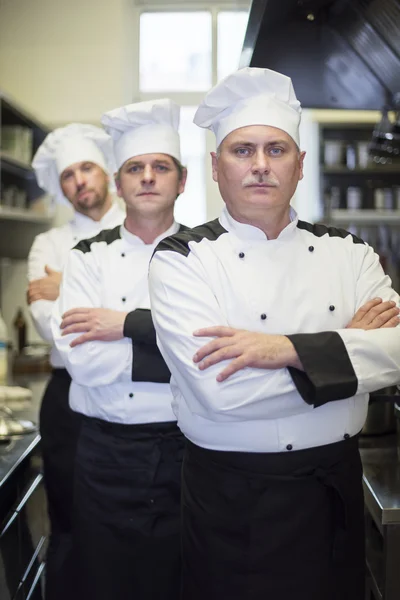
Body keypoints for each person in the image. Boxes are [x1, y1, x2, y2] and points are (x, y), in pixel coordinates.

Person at [148, 68, 400, 600]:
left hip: (332, 491)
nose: (261, 165)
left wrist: (282, 350)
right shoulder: (182, 258)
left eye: (276, 149)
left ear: (300, 164)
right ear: (215, 167)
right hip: (229, 498)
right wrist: (346, 348)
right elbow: (219, 391)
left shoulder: (348, 252)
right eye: (243, 151)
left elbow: (397, 351)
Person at [52, 99, 188, 600]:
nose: (148, 177)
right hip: (103, 452)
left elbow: (210, 353)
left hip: (186, 450)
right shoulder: (87, 256)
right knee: (104, 581)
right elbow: (81, 358)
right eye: (136, 167)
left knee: (176, 581)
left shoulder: (206, 253)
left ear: (183, 180)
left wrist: (125, 325)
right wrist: (173, 344)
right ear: (119, 180)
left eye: (161, 167)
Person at [28, 123, 125, 600]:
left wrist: (66, 286)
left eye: (87, 167)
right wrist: (128, 322)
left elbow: (167, 315)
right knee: (70, 518)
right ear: (61, 186)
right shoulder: (47, 245)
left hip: (146, 397)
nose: (80, 180)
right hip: (67, 401)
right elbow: (56, 328)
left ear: (105, 170)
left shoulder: (143, 225)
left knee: (136, 519)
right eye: (68, 174)